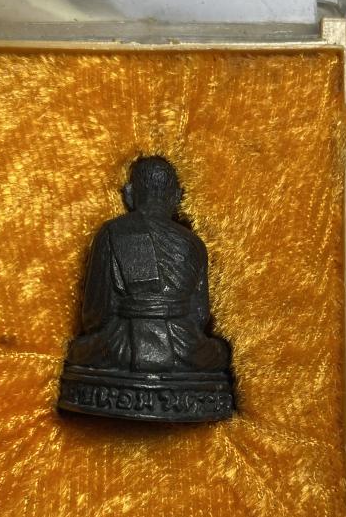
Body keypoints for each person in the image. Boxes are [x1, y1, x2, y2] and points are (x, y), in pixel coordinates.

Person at [67, 156, 230, 375]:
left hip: (121, 346)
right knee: (220, 352)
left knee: (76, 350)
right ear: (178, 196)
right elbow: (199, 316)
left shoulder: (111, 233)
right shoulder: (193, 243)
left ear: (129, 193)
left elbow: (95, 315)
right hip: (183, 348)